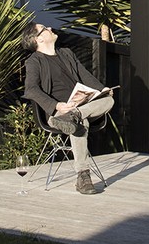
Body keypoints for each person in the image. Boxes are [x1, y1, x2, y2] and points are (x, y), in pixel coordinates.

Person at [21, 22, 115, 195]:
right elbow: (31, 89)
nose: (50, 29)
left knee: (109, 101)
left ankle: (75, 115)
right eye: (46, 28)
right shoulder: (34, 61)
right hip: (58, 114)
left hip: (81, 108)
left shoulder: (66, 53)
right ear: (39, 38)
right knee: (81, 122)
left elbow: (85, 76)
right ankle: (83, 176)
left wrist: (102, 90)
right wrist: (57, 106)